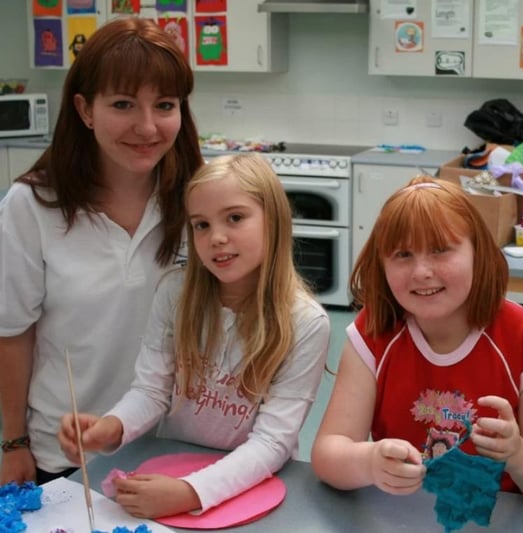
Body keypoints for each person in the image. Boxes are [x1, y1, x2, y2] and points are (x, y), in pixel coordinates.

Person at [58, 154, 331, 518]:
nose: (216, 238)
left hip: (250, 483)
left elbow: (272, 442)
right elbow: (151, 391)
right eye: (201, 225)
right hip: (168, 462)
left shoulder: (306, 322)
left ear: (275, 220)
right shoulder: (175, 293)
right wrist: (112, 427)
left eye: (235, 218)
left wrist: (192, 492)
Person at [0, 17, 204, 485]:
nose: (148, 126)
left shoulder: (198, 197)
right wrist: (13, 443)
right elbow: (12, 332)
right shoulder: (32, 206)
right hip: (70, 450)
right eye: (123, 104)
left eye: (165, 105)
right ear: (85, 109)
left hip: (175, 448)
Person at [311, 176, 523, 502]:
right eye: (403, 254)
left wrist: (519, 455)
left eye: (440, 250)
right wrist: (367, 462)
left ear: (478, 253)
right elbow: (328, 452)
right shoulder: (375, 332)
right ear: (381, 265)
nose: (422, 271)